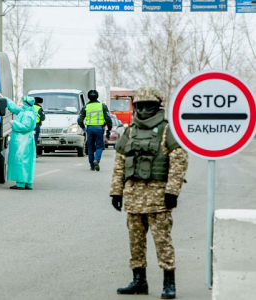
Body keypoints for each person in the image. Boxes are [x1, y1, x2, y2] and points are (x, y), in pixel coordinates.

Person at [109, 86, 188, 299]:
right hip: (133, 197)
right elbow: (120, 163)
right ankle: (139, 281)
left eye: (148, 106)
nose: (143, 110)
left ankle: (168, 283)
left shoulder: (167, 131)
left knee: (162, 241)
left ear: (157, 106)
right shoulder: (130, 131)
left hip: (159, 198)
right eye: (140, 106)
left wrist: (172, 192)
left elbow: (179, 162)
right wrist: (116, 192)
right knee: (135, 241)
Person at [5, 95, 39, 190]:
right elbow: (14, 107)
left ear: (26, 103)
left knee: (21, 160)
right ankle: (28, 183)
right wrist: (5, 99)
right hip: (24, 139)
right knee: (26, 161)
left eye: (24, 102)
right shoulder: (26, 111)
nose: (22, 103)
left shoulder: (27, 114)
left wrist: (14, 123)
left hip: (22, 140)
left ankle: (20, 183)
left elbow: (26, 127)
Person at [77, 90, 113, 171]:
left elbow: (79, 120)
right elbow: (108, 119)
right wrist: (109, 129)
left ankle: (92, 165)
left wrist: (83, 128)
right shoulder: (102, 106)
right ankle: (96, 160)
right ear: (97, 96)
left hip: (89, 129)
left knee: (90, 147)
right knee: (99, 146)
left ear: (88, 97)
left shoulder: (86, 107)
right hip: (99, 128)